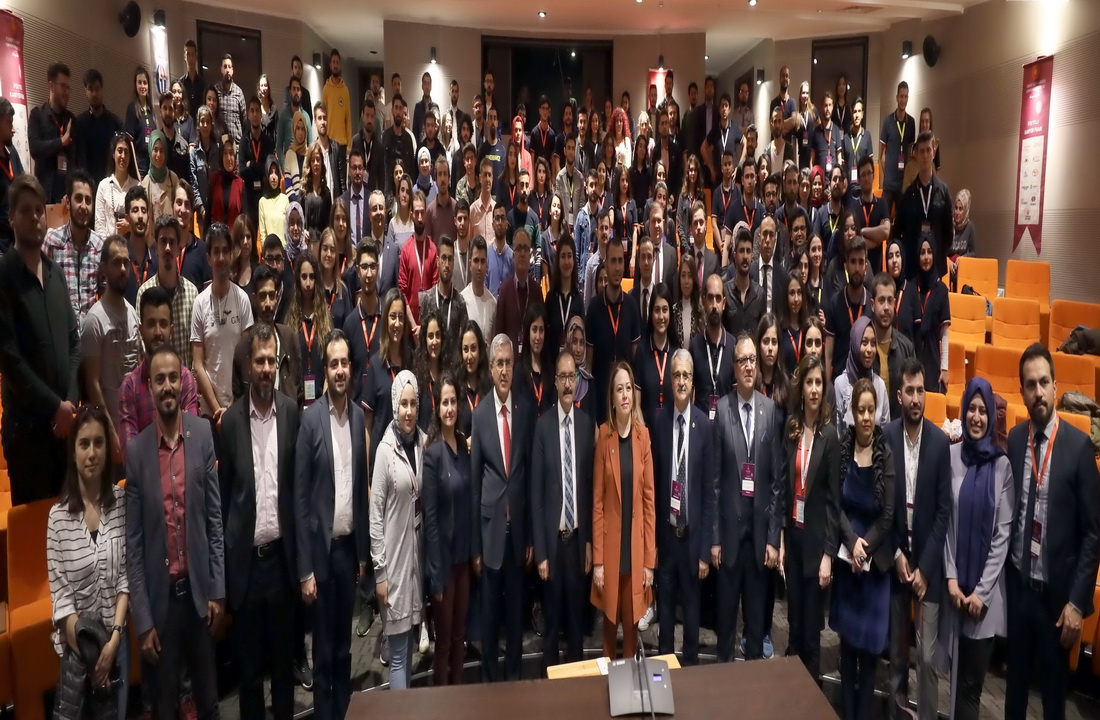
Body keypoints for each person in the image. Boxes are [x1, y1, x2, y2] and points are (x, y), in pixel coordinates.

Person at [124, 345, 224, 720]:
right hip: (161, 605)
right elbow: (134, 547)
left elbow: (214, 521)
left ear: (182, 383)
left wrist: (217, 591)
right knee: (166, 709)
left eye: (172, 378)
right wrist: (143, 621)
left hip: (199, 599)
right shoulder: (137, 453)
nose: (167, 386)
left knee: (209, 704)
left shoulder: (202, 434)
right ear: (150, 387)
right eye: (159, 380)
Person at [1005, 343, 1100, 720]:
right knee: (1013, 697)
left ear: (1056, 387)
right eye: (1031, 385)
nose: (1039, 392)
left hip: (1057, 605)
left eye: (1044, 382)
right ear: (1022, 392)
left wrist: (1077, 603)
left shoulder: (1079, 447)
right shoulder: (1015, 440)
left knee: (1053, 705)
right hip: (1019, 592)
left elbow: (1093, 534)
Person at [219, 322, 300, 720]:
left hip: (282, 565)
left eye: (272, 361)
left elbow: (297, 491)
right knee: (249, 676)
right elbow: (223, 500)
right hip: (247, 569)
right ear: (248, 365)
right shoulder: (231, 422)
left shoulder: (291, 413)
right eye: (260, 362)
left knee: (283, 669)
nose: (266, 369)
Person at [295, 330, 369, 720]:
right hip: (320, 558)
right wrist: (305, 570)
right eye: (334, 364)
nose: (340, 370)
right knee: (322, 654)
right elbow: (300, 499)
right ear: (325, 370)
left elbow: (360, 491)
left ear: (351, 369)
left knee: (343, 651)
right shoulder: (310, 420)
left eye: (345, 363)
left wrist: (362, 556)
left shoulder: (357, 417)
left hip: (347, 553)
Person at [0, 174, 80, 504]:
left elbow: (74, 343)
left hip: (64, 432)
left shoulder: (56, 274)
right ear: (11, 217)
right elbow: (9, 359)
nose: (35, 217)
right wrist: (54, 407)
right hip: (28, 437)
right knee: (34, 532)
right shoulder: (4, 276)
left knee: (69, 529)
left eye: (39, 210)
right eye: (25, 210)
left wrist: (70, 402)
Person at [48, 405, 130, 720]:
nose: (92, 453)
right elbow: (62, 603)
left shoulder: (120, 502)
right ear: (73, 453)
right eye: (84, 444)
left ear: (107, 450)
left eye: (98, 443)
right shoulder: (57, 519)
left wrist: (114, 641)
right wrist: (96, 659)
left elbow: (125, 579)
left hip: (117, 644)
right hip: (79, 656)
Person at [883, 356, 951, 720]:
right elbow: (882, 503)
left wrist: (925, 568)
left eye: (920, 391)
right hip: (898, 562)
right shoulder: (886, 438)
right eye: (909, 391)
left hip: (928, 568)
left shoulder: (940, 443)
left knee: (926, 658)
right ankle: (896, 713)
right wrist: (896, 553)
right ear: (899, 395)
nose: (915, 398)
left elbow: (943, 511)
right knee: (897, 653)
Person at [941, 377, 1013, 720]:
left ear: (991, 417)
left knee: (971, 688)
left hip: (985, 602)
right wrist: (951, 577)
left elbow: (1002, 535)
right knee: (953, 683)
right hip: (954, 593)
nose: (976, 417)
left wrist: (981, 593)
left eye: (983, 411)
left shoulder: (1003, 466)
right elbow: (945, 523)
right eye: (971, 408)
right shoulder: (951, 456)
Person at [714, 333, 785, 662]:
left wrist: (773, 538)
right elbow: (715, 482)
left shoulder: (770, 411)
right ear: (734, 366)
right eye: (742, 360)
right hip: (729, 540)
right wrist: (715, 539)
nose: (748, 366)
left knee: (756, 635)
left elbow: (776, 483)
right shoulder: (721, 410)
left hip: (759, 543)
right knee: (725, 634)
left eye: (752, 360)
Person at [831, 378, 895, 720]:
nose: (866, 417)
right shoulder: (843, 449)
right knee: (847, 655)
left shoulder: (887, 454)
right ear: (853, 414)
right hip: (847, 563)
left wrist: (864, 548)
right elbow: (835, 504)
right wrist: (851, 543)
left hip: (873, 572)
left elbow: (888, 516)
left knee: (869, 658)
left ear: (877, 412)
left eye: (871, 410)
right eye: (861, 410)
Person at [471, 335, 534, 682]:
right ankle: (489, 687)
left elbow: (530, 475)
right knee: (490, 619)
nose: (505, 370)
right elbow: (475, 484)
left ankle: (515, 685)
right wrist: (475, 548)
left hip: (518, 533)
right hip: (490, 534)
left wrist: (531, 537)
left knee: (515, 620)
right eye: (499, 364)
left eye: (509, 363)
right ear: (492, 369)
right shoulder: (480, 415)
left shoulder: (525, 410)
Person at [530, 349, 594, 669]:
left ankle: (577, 689)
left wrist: (590, 543)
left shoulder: (586, 425)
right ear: (555, 382)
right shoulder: (542, 427)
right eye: (563, 377)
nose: (568, 384)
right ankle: (549, 692)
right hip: (553, 545)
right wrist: (541, 552)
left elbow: (591, 490)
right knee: (552, 627)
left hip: (578, 542)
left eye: (572, 377)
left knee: (577, 627)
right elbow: (536, 494)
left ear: (578, 381)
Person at [591, 362, 655, 659]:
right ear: (613, 398)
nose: (626, 394)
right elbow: (598, 503)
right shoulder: (604, 436)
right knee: (608, 638)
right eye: (620, 389)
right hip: (610, 554)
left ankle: (631, 687)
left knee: (631, 636)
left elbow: (649, 502)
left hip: (636, 553)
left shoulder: (644, 437)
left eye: (629, 388)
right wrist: (598, 562)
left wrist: (649, 563)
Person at [781, 353, 838, 684]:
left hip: (817, 549)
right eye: (809, 382)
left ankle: (812, 700)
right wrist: (781, 540)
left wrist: (829, 555)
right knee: (794, 629)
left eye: (819, 383)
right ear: (801, 387)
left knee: (812, 639)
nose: (814, 389)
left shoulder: (829, 436)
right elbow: (783, 487)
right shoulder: (791, 429)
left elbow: (833, 501)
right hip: (794, 541)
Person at [653, 349, 713, 665]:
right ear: (669, 380)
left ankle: (690, 680)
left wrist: (705, 551)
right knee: (664, 622)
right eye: (676, 375)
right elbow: (653, 486)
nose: (680, 381)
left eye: (685, 375)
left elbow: (709, 495)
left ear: (692, 382)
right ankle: (662, 678)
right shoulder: (659, 422)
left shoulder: (704, 426)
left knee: (691, 621)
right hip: (666, 539)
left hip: (692, 540)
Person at [369, 370, 426, 690]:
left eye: (413, 404)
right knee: (399, 655)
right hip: (393, 568)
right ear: (394, 405)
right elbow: (375, 517)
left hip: (415, 563)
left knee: (409, 652)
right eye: (403, 404)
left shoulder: (423, 443)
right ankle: (399, 711)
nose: (408, 411)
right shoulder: (384, 452)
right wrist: (380, 573)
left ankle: (408, 710)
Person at [421, 373, 473, 686]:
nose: (450, 408)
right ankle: (442, 704)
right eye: (445, 402)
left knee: (458, 639)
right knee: (442, 645)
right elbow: (430, 521)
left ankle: (459, 700)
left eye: (453, 401)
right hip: (443, 568)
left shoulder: (464, 446)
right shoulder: (432, 455)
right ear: (437, 407)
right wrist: (436, 576)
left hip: (464, 563)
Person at [117, 287, 200, 457]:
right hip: (145, 474)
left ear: (171, 330)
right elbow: (130, 455)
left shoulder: (186, 379)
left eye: (163, 324)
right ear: (141, 330)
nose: (157, 332)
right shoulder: (129, 388)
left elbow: (192, 441)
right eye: (151, 324)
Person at [81, 234, 142, 462]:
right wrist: (110, 432)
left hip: (135, 429)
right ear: (104, 269)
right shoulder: (94, 320)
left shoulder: (132, 313)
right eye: (117, 263)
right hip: (109, 435)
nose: (123, 269)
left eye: (126, 262)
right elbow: (92, 384)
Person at [191, 223, 254, 424]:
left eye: (225, 251)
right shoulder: (199, 303)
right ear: (208, 258)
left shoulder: (242, 299)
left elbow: (246, 359)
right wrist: (218, 410)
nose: (221, 258)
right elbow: (198, 364)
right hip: (209, 412)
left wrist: (231, 409)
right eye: (216, 252)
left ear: (232, 254)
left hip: (239, 406)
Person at [585, 238, 641, 423]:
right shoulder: (594, 308)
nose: (617, 267)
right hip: (601, 403)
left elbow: (636, 363)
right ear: (606, 264)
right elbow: (588, 367)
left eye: (620, 261)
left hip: (625, 403)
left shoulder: (632, 307)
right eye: (613, 261)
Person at [231, 263, 301, 404]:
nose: (268, 303)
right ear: (254, 299)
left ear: (276, 297)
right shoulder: (242, 348)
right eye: (262, 296)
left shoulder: (289, 338)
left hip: (286, 417)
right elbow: (238, 400)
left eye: (271, 295)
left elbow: (299, 392)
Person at [136, 214, 199, 369]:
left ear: (179, 248)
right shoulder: (144, 293)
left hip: (185, 382)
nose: (168, 248)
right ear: (156, 247)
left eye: (172, 242)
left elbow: (196, 351)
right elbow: (141, 348)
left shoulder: (192, 293)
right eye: (163, 241)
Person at [44, 170, 102, 325]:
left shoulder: (99, 246)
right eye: (78, 198)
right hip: (60, 330)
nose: (84, 206)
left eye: (88, 200)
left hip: (90, 333)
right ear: (68, 202)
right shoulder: (52, 242)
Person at [896, 131, 952, 281]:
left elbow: (948, 234)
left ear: (934, 152)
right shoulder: (907, 195)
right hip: (912, 270)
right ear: (916, 155)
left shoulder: (943, 191)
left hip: (936, 270)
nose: (925, 155)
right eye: (921, 151)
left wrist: (937, 254)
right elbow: (897, 232)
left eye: (928, 150)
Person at [866, 273, 916, 421]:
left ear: (895, 303)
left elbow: (913, 394)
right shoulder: (863, 347)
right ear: (872, 305)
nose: (886, 307)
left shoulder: (906, 347)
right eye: (881, 301)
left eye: (890, 301)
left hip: (899, 429)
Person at [824, 236, 871, 381]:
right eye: (853, 262)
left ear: (866, 267)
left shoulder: (872, 304)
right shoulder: (835, 303)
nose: (856, 268)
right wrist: (828, 389)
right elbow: (828, 355)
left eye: (860, 262)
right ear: (846, 265)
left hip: (866, 385)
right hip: (839, 384)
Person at [29, 62, 75, 203]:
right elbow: (35, 149)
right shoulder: (37, 115)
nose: (67, 92)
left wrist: (72, 191)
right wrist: (61, 142)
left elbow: (77, 160)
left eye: (68, 87)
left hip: (67, 198)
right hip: (43, 196)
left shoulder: (72, 120)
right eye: (63, 86)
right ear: (51, 86)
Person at [834, 316, 890, 429]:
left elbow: (886, 431)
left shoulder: (879, 385)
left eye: (873, 344)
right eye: (864, 343)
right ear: (855, 344)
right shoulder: (840, 384)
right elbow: (837, 431)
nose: (869, 349)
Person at [913, 239, 951, 393]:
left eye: (929, 252)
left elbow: (944, 334)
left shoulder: (941, 290)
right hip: (913, 356)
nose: (926, 257)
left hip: (932, 359)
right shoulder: (911, 287)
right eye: (922, 253)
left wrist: (945, 369)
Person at [74, 68, 122, 189]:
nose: (94, 93)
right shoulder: (78, 123)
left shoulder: (115, 123)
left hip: (111, 185)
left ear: (102, 90)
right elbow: (77, 159)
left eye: (97, 89)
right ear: (85, 91)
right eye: (90, 89)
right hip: (86, 186)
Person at [878, 82, 916, 217]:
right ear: (896, 97)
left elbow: (911, 154)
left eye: (906, 97)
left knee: (902, 222)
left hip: (903, 185)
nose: (903, 100)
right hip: (889, 185)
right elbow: (882, 155)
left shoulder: (911, 123)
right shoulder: (888, 121)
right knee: (885, 221)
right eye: (901, 96)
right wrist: (887, 176)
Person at [722, 226, 764, 339]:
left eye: (748, 251)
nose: (745, 256)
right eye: (741, 251)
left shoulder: (760, 294)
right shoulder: (725, 292)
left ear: (752, 256)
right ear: (734, 256)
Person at [0, 98, 26, 252]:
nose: (14, 129)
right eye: (9, 122)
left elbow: (25, 186)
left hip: (18, 242)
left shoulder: (12, 153)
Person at [460, 235, 496, 340]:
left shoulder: (493, 304)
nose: (479, 267)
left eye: (482, 261)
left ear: (486, 264)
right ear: (470, 264)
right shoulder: (461, 301)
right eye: (476, 261)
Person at [190, 107, 221, 222]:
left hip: (218, 210)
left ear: (211, 124)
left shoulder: (218, 150)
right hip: (201, 212)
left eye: (208, 121)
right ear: (198, 124)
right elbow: (194, 185)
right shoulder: (193, 153)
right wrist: (202, 209)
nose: (205, 125)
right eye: (202, 121)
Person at [207, 139, 245, 229]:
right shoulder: (214, 180)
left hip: (234, 236)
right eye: (225, 153)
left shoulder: (240, 184)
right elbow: (208, 216)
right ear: (221, 156)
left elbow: (244, 219)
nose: (228, 158)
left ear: (235, 156)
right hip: (216, 235)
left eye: (231, 153)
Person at [277, 77, 313, 162]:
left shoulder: (306, 117)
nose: (296, 92)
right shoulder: (284, 115)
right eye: (294, 89)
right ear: (290, 92)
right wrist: (283, 166)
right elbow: (279, 146)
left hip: (303, 163)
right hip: (288, 162)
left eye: (298, 89)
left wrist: (307, 165)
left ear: (301, 93)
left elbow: (310, 145)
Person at [321, 50, 352, 149]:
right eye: (333, 62)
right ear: (330, 65)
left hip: (342, 144)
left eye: (337, 62)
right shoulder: (326, 89)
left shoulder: (345, 90)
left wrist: (349, 146)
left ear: (340, 65)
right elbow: (322, 117)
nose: (335, 65)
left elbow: (348, 119)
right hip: (329, 142)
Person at [947, 189, 975, 293]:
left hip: (963, 271)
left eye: (961, 209)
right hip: (948, 270)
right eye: (956, 208)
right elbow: (941, 250)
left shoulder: (970, 227)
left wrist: (963, 258)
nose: (957, 212)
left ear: (966, 210)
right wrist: (948, 261)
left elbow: (973, 253)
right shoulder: (948, 226)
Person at [216, 54, 247, 145]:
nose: (227, 70)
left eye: (229, 67)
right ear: (221, 69)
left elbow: (244, 121)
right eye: (225, 67)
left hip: (236, 144)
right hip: (220, 144)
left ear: (232, 70)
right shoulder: (216, 91)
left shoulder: (239, 92)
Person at [179, 40, 205, 120]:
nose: (190, 58)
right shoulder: (180, 83)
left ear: (196, 57)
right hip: (185, 123)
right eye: (188, 54)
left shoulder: (203, 84)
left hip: (199, 124)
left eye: (192, 54)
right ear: (184, 57)